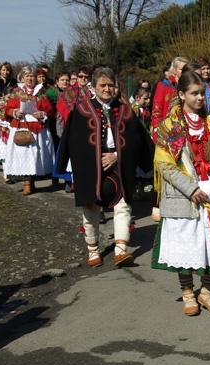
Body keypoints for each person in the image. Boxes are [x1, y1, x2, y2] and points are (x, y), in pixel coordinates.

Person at [151, 71, 210, 316]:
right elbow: (164, 165)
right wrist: (190, 189)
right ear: (181, 95)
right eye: (194, 93)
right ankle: (188, 292)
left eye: (202, 93)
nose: (200, 98)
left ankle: (207, 292)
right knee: (186, 246)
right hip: (184, 196)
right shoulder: (168, 127)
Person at [56, 67, 154, 268]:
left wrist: (117, 155)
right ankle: (93, 249)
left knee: (123, 204)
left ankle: (121, 249)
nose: (107, 89)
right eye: (103, 85)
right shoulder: (81, 111)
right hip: (90, 165)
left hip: (119, 162)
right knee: (91, 206)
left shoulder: (126, 110)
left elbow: (136, 141)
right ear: (93, 87)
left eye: (111, 85)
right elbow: (74, 143)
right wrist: (94, 158)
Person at [3, 66, 55, 195]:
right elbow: (8, 109)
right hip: (22, 126)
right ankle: (27, 182)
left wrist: (42, 114)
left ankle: (33, 181)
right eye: (27, 76)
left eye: (32, 76)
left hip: (38, 128)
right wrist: (15, 112)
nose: (29, 78)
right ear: (22, 78)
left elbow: (49, 110)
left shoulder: (41, 92)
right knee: (24, 154)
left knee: (36, 155)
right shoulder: (16, 92)